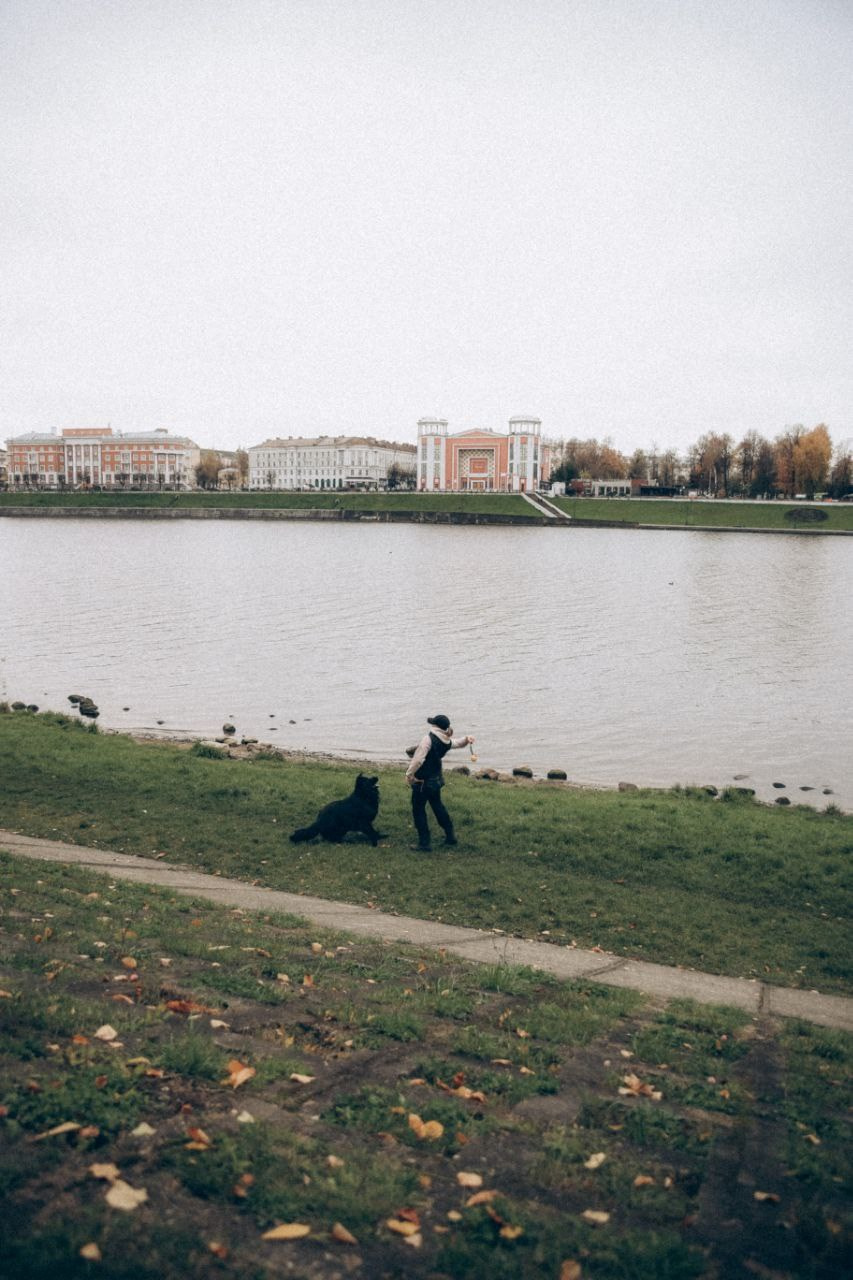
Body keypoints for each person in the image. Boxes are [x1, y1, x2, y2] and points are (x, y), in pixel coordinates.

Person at [405, 714, 475, 851]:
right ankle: (450, 836)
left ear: (435, 726)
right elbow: (457, 743)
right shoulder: (445, 740)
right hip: (436, 780)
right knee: (438, 806)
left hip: (422, 781)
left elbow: (418, 760)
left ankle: (424, 844)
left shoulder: (428, 739)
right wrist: (467, 739)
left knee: (418, 810)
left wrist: (409, 774)